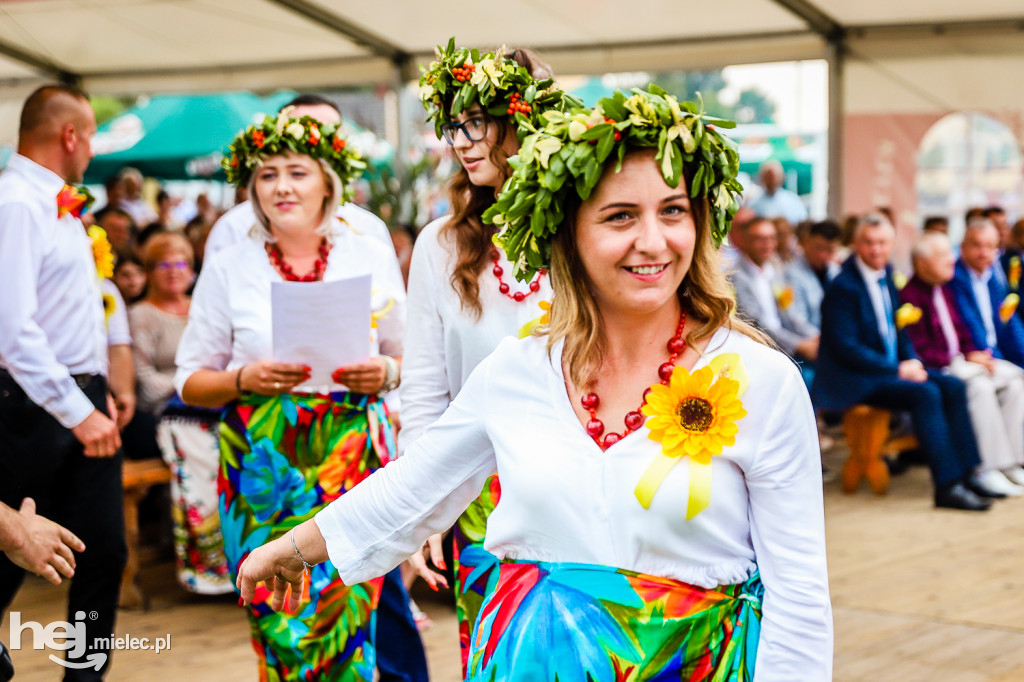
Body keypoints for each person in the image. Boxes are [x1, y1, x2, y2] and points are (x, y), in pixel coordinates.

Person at [237, 86, 833, 681]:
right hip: (525, 660)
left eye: (673, 211)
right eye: (621, 215)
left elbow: (800, 595)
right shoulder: (520, 368)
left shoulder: (760, 380)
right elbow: (414, 488)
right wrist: (292, 548)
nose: (653, 241)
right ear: (566, 233)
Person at [174, 110, 407, 680]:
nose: (281, 186)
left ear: (328, 179)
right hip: (260, 467)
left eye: (297, 172)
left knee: (350, 619)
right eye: (267, 174)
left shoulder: (368, 249)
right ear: (251, 186)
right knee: (277, 619)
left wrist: (384, 372)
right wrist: (241, 380)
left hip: (353, 461)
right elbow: (188, 378)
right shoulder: (230, 263)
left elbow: (413, 358)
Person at [400, 41, 578, 671]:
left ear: (527, 119)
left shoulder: (586, 229)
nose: (464, 140)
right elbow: (424, 389)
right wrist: (422, 509)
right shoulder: (439, 246)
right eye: (454, 124)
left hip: (589, 483)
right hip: (482, 500)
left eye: (479, 121)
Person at [0, 84, 126, 679]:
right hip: (31, 403)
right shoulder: (16, 202)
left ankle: (84, 677)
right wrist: (76, 408)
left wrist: (104, 389)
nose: (94, 149)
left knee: (103, 550)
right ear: (69, 136)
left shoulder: (60, 206)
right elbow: (10, 329)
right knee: (9, 550)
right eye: (93, 134)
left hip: (84, 395)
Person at [813, 213, 999, 511]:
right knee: (926, 393)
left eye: (883, 243)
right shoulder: (842, 286)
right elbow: (847, 348)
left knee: (953, 385)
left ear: (891, 244)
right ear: (856, 244)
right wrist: (898, 368)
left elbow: (899, 330)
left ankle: (969, 472)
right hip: (855, 378)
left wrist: (912, 360)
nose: (876, 250)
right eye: (868, 243)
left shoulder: (886, 273)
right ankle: (947, 486)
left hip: (887, 370)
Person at [130, 232, 233, 594]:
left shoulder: (203, 306)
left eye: (181, 264)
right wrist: (194, 382)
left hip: (218, 405)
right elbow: (143, 380)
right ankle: (209, 570)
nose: (174, 272)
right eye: (164, 264)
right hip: (168, 413)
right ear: (150, 271)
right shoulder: (141, 314)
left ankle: (248, 557)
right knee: (202, 463)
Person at [900, 232, 1024, 494]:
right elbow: (919, 348)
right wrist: (967, 359)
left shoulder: (944, 288)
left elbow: (963, 332)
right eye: (943, 256)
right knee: (980, 388)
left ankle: (1012, 462)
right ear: (922, 263)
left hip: (963, 362)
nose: (951, 261)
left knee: (1015, 381)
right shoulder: (910, 295)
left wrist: (976, 354)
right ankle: (987, 468)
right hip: (941, 368)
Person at [205, 94, 393, 258]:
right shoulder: (234, 228)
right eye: (303, 135)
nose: (316, 147)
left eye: (328, 136)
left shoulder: (367, 229)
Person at [731, 216, 819, 384]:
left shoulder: (776, 270)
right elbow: (757, 323)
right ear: (746, 241)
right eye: (760, 239)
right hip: (761, 347)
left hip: (786, 343)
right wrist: (799, 344)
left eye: (772, 238)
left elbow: (789, 310)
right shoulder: (736, 277)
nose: (767, 244)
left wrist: (813, 335)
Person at [951, 218, 1024, 369]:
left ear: (997, 250)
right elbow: (972, 327)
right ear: (963, 246)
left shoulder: (993, 278)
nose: (983, 253)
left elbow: (1009, 320)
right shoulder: (954, 278)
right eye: (976, 245)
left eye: (989, 246)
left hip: (999, 355)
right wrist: (1002, 361)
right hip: (977, 357)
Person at [785, 218, 841, 330]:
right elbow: (795, 318)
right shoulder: (790, 274)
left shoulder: (836, 272)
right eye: (819, 248)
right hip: (808, 339)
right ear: (807, 242)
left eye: (829, 250)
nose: (823, 255)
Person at [748, 159, 807, 225]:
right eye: (769, 176)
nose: (772, 180)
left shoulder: (793, 200)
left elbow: (802, 222)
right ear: (762, 178)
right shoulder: (753, 203)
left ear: (782, 177)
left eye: (774, 176)